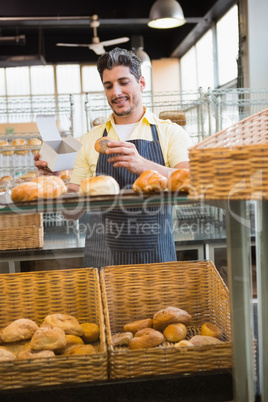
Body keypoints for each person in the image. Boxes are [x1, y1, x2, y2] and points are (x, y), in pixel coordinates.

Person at [35, 47, 192, 268]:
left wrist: (143, 165)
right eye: (108, 86)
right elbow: (72, 213)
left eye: (124, 82)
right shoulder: (88, 141)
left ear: (142, 83)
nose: (116, 92)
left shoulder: (170, 133)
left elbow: (190, 181)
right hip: (102, 258)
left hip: (156, 258)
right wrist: (57, 179)